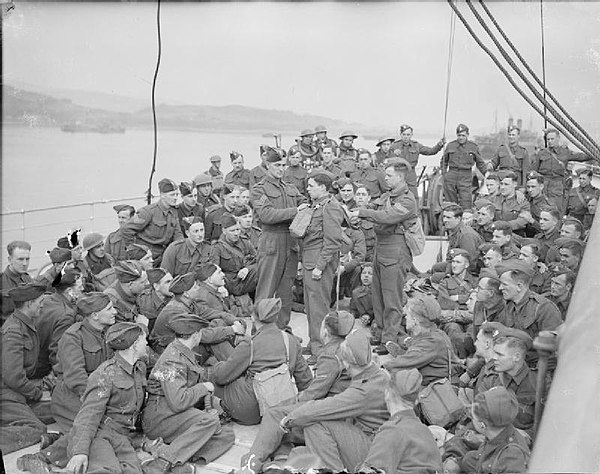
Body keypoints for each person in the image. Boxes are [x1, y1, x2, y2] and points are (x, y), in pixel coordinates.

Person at [278, 330, 388, 472]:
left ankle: (333, 470)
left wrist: (290, 419)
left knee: (315, 423)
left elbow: (321, 409)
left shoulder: (363, 390)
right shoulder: (379, 374)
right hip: (380, 444)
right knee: (299, 455)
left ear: (346, 364)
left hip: (372, 451)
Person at [142, 313, 234, 473]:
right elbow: (178, 401)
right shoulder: (172, 360)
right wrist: (203, 388)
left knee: (226, 434)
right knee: (210, 422)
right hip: (160, 417)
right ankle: (163, 462)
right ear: (196, 334)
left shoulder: (182, 351)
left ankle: (177, 454)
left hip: (172, 413)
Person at [348, 158, 417, 355]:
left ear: (400, 177)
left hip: (396, 251)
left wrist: (362, 212)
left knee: (392, 299)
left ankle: (389, 339)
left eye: (389, 175)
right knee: (377, 295)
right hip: (381, 249)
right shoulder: (388, 196)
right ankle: (379, 333)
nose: (385, 178)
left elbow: (388, 217)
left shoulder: (407, 200)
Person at [211, 298, 312, 425]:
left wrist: (217, 367)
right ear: (276, 317)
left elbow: (221, 377)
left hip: (249, 411)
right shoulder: (290, 340)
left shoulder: (250, 344)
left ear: (253, 318)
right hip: (279, 407)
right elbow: (305, 381)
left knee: (214, 377)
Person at [65, 322, 147, 474]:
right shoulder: (105, 374)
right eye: (143, 340)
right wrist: (80, 452)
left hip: (123, 436)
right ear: (134, 345)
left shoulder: (139, 368)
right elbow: (89, 414)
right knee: (107, 469)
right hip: (101, 434)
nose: (147, 343)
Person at [250, 147, 305, 330]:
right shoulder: (259, 190)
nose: (281, 169)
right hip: (271, 242)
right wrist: (296, 211)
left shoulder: (291, 188)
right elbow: (266, 215)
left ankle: (282, 330)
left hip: (290, 243)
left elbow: (306, 203)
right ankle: (258, 330)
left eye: (283, 165)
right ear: (267, 165)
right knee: (266, 290)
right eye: (277, 165)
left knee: (285, 291)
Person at [51, 293, 116, 433]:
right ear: (95, 315)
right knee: (97, 429)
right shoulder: (73, 337)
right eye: (109, 309)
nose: (115, 312)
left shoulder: (106, 333)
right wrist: (98, 399)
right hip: (74, 395)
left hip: (99, 390)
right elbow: (76, 378)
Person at [359, 369, 442, 474]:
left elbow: (371, 470)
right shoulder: (425, 431)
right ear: (416, 401)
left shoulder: (391, 431)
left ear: (387, 394)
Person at [0, 283, 50, 454]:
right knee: (36, 428)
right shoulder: (14, 330)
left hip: (19, 390)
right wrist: (36, 393)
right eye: (40, 302)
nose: (43, 305)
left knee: (58, 408)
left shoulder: (25, 323)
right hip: (7, 393)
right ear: (29, 304)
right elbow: (12, 377)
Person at [301, 170, 345, 361]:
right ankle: (314, 343)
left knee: (319, 309)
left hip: (319, 265)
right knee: (311, 308)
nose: (308, 189)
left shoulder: (331, 207)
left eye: (311, 186)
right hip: (310, 262)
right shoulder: (317, 206)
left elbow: (333, 242)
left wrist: (319, 266)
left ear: (322, 187)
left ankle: (321, 351)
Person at [150, 272, 244, 359]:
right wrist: (232, 329)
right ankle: (236, 365)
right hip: (170, 352)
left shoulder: (188, 302)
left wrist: (234, 321)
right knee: (214, 339)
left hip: (182, 344)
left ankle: (236, 363)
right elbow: (200, 335)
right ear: (186, 293)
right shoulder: (175, 311)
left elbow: (213, 313)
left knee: (218, 323)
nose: (199, 288)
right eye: (195, 287)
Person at [448, 387, 529, 474]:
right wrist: (457, 462)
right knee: (468, 459)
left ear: (482, 425)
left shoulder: (511, 457)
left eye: (472, 417)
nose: (471, 421)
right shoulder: (496, 434)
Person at [496, 261, 562, 365]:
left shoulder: (544, 308)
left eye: (504, 284)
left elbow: (553, 353)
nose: (500, 288)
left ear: (519, 286)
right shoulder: (508, 307)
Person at [383, 295, 458, 385]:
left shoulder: (430, 342)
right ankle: (407, 353)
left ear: (414, 320)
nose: (406, 318)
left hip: (435, 389)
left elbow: (396, 366)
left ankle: (405, 354)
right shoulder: (437, 333)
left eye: (407, 315)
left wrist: (378, 369)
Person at [121, 178, 184, 267]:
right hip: (145, 259)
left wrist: (180, 249)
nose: (175, 198)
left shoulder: (173, 212)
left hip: (162, 258)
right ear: (162, 195)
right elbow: (126, 229)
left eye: (177, 194)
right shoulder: (147, 212)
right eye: (172, 194)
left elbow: (178, 234)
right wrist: (134, 251)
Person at [530, 128, 597, 210]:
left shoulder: (565, 152)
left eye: (552, 139)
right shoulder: (542, 153)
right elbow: (533, 170)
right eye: (548, 139)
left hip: (557, 187)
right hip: (543, 186)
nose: (550, 141)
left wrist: (595, 153)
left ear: (558, 138)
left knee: (555, 211)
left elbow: (581, 157)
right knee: (540, 209)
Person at [35, 269, 84, 378]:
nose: (83, 289)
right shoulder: (66, 315)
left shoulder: (48, 300)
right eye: (80, 287)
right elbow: (57, 351)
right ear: (69, 291)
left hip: (33, 357)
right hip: (42, 367)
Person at [390, 124, 445, 198]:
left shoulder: (416, 145)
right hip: (398, 173)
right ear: (400, 134)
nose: (406, 137)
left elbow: (430, 151)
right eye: (404, 134)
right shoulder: (394, 146)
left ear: (411, 135)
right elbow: (386, 158)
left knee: (413, 196)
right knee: (396, 195)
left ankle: (415, 209)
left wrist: (439, 145)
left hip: (411, 174)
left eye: (408, 134)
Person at [441, 124, 487, 210]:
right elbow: (444, 161)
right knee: (450, 203)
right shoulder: (450, 145)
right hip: (451, 175)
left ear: (467, 135)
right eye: (459, 135)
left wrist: (486, 173)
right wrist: (444, 174)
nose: (461, 138)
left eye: (463, 135)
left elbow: (480, 163)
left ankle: (465, 219)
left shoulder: (473, 147)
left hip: (466, 176)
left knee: (466, 202)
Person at [210, 213, 257, 297]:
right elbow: (214, 270)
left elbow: (259, 260)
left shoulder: (245, 242)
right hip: (229, 284)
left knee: (262, 270)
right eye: (232, 230)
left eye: (238, 230)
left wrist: (247, 269)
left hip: (245, 280)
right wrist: (219, 286)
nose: (236, 233)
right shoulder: (217, 247)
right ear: (224, 231)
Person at [441, 203, 484, 274]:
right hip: (455, 266)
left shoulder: (466, 235)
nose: (445, 220)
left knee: (436, 276)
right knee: (436, 268)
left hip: (469, 273)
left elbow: (470, 263)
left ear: (458, 219)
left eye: (448, 217)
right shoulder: (455, 232)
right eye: (444, 217)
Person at [104, 260, 148, 324]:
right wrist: (142, 325)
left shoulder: (134, 290)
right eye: (142, 282)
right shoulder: (112, 301)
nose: (146, 284)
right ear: (130, 285)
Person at [1, 240, 33, 323]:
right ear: (10, 259)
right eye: (20, 259)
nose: (25, 263)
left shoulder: (28, 279)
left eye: (27, 259)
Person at [137, 268, 173, 333]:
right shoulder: (143, 302)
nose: (172, 285)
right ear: (156, 286)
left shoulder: (176, 297)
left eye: (172, 281)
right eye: (167, 282)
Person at [523, 171, 552, 237]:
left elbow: (549, 231)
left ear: (541, 186)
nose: (530, 190)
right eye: (528, 187)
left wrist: (532, 221)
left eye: (533, 187)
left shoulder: (547, 206)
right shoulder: (526, 198)